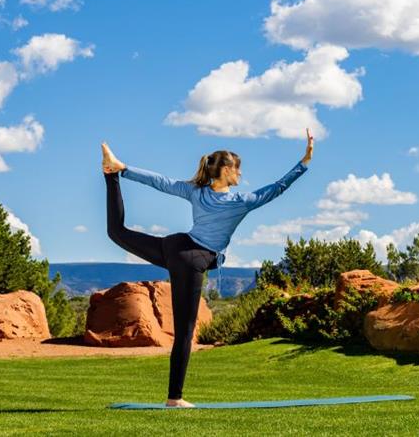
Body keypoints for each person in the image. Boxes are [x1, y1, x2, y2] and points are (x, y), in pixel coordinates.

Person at [101, 128, 314, 408]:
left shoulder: (196, 191)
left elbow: (161, 182)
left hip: (175, 246)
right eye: (238, 170)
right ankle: (174, 398)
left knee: (117, 233)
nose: (240, 175)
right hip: (192, 259)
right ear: (226, 170)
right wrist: (304, 162)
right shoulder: (240, 201)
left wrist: (124, 170)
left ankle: (110, 176)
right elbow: (276, 188)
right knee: (185, 333)